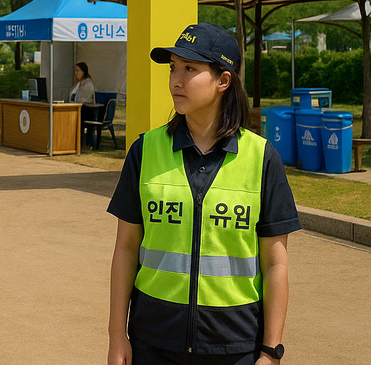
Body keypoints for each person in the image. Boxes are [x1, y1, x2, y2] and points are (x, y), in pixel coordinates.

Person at [107, 23, 299, 365]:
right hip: (152, 341)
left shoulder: (261, 157)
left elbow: (275, 263)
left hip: (235, 345)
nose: (175, 81)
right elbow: (125, 248)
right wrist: (116, 335)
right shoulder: (145, 150)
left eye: (190, 69)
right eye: (173, 69)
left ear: (223, 81)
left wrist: (271, 352)